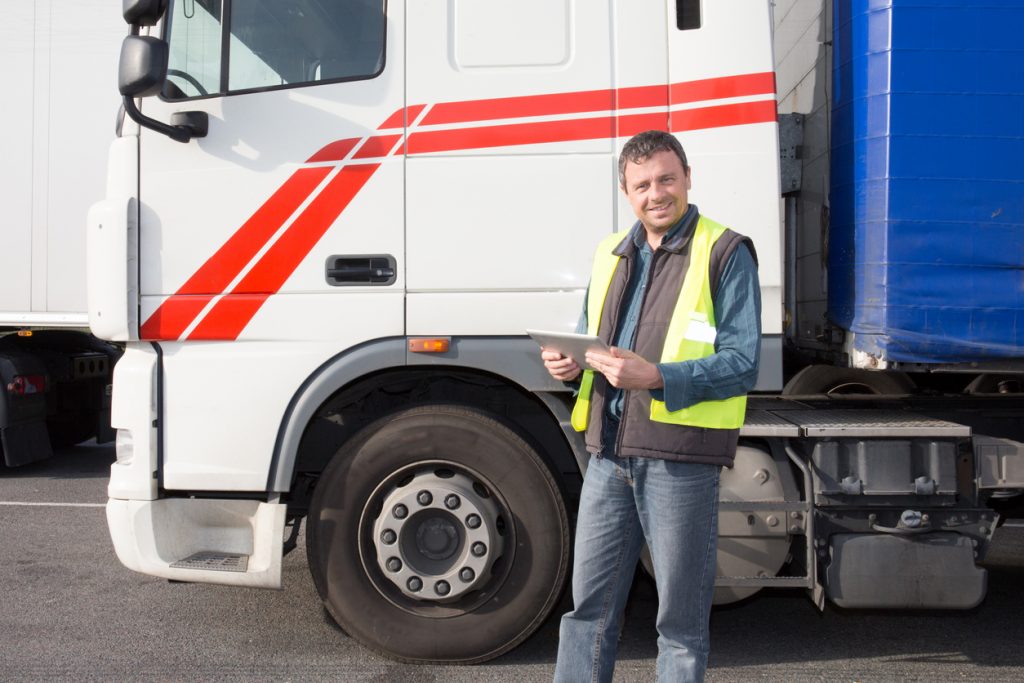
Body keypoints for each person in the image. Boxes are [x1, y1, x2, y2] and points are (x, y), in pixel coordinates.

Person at [543, 130, 761, 682]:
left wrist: (658, 376)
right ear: (626, 190)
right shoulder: (611, 252)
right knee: (586, 614)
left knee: (680, 626)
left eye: (666, 179)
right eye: (642, 185)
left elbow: (743, 362)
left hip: (680, 460)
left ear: (688, 177)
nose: (655, 193)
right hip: (609, 456)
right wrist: (570, 364)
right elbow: (589, 337)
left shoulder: (727, 251)